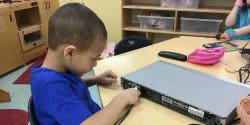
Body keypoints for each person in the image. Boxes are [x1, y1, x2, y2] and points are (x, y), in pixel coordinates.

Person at [30, 3, 141, 125]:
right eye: (93, 59)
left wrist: (95, 79)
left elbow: (69, 87)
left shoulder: (56, 72)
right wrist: (121, 99)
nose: (95, 65)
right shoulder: (50, 85)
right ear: (70, 53)